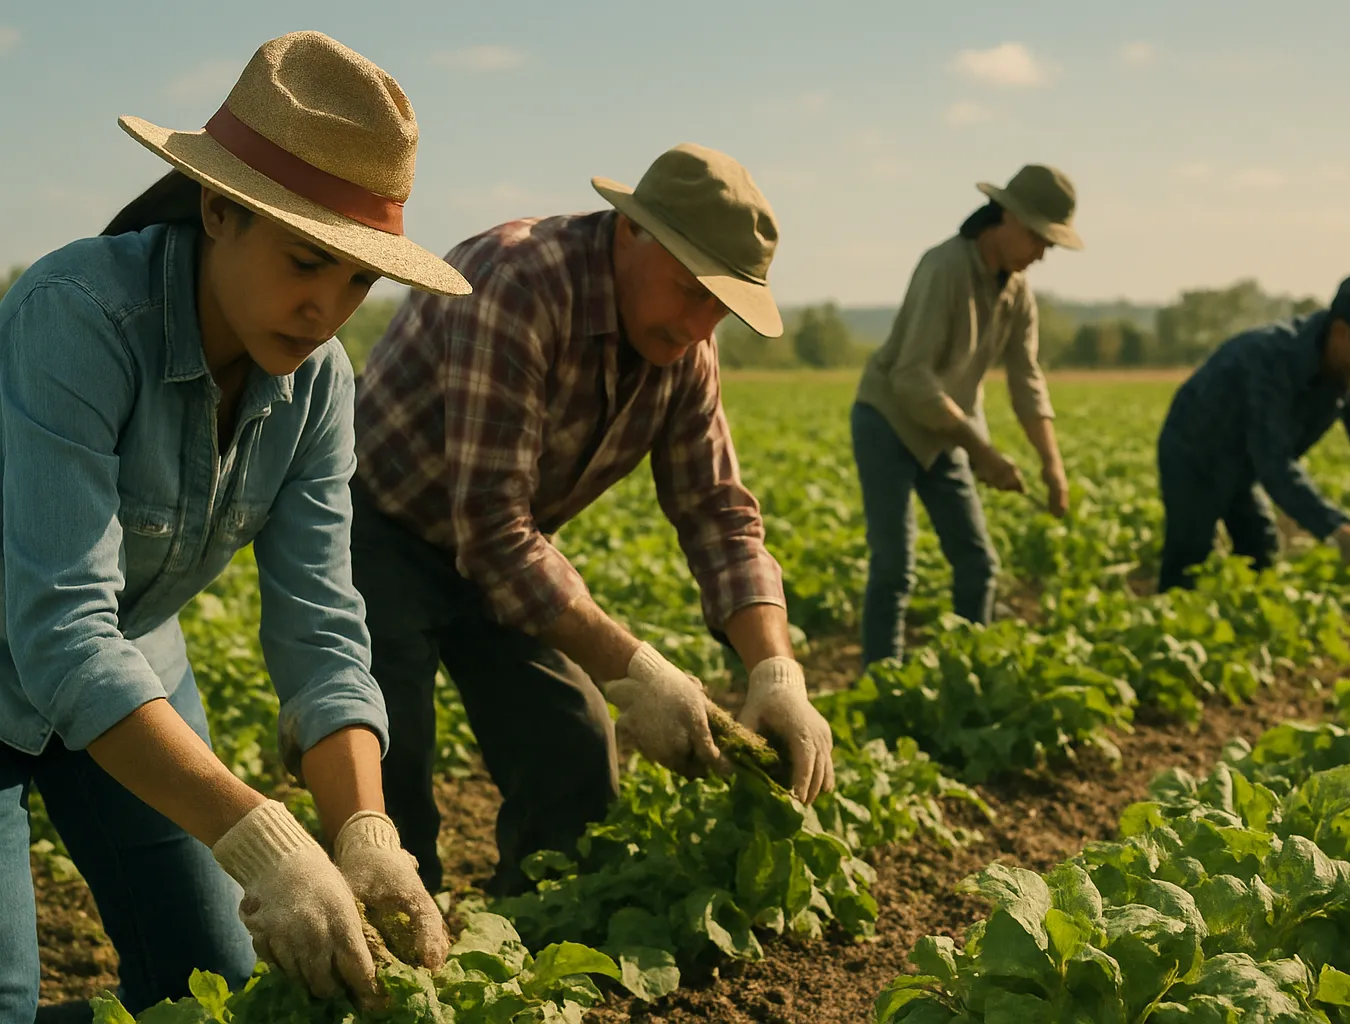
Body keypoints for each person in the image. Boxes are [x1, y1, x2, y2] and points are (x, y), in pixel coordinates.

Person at [0, 32, 470, 1022]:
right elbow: (63, 628)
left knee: (217, 988)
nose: (326, 309)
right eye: (308, 262)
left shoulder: (317, 385)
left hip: (130, 681)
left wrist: (366, 831)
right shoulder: (76, 315)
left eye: (357, 281)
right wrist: (261, 833)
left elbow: (323, 625)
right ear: (217, 207)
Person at [350, 142, 836, 897]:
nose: (701, 326)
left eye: (721, 307)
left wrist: (776, 670)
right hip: (377, 525)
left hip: (503, 550)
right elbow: (491, 525)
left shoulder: (685, 351)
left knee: (572, 749)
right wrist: (637, 671)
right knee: (390, 761)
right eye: (690, 291)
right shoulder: (517, 283)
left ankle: (530, 951)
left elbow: (717, 515)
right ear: (632, 232)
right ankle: (395, 974)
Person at [850, 164, 1078, 666]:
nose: (1042, 254)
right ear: (1008, 219)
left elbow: (1026, 379)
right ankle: (879, 687)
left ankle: (968, 674)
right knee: (894, 568)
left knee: (977, 562)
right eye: (1040, 239)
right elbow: (912, 379)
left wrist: (1051, 464)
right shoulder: (944, 267)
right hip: (887, 421)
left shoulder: (1017, 291)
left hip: (948, 431)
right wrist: (982, 451)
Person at [1156, 273, 1350, 592]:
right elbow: (1274, 463)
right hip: (1193, 454)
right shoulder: (1268, 360)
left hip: (1244, 461)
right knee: (1190, 555)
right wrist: (1339, 530)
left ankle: (1246, 627)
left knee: (1260, 545)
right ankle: (1173, 612)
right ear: (1342, 332)